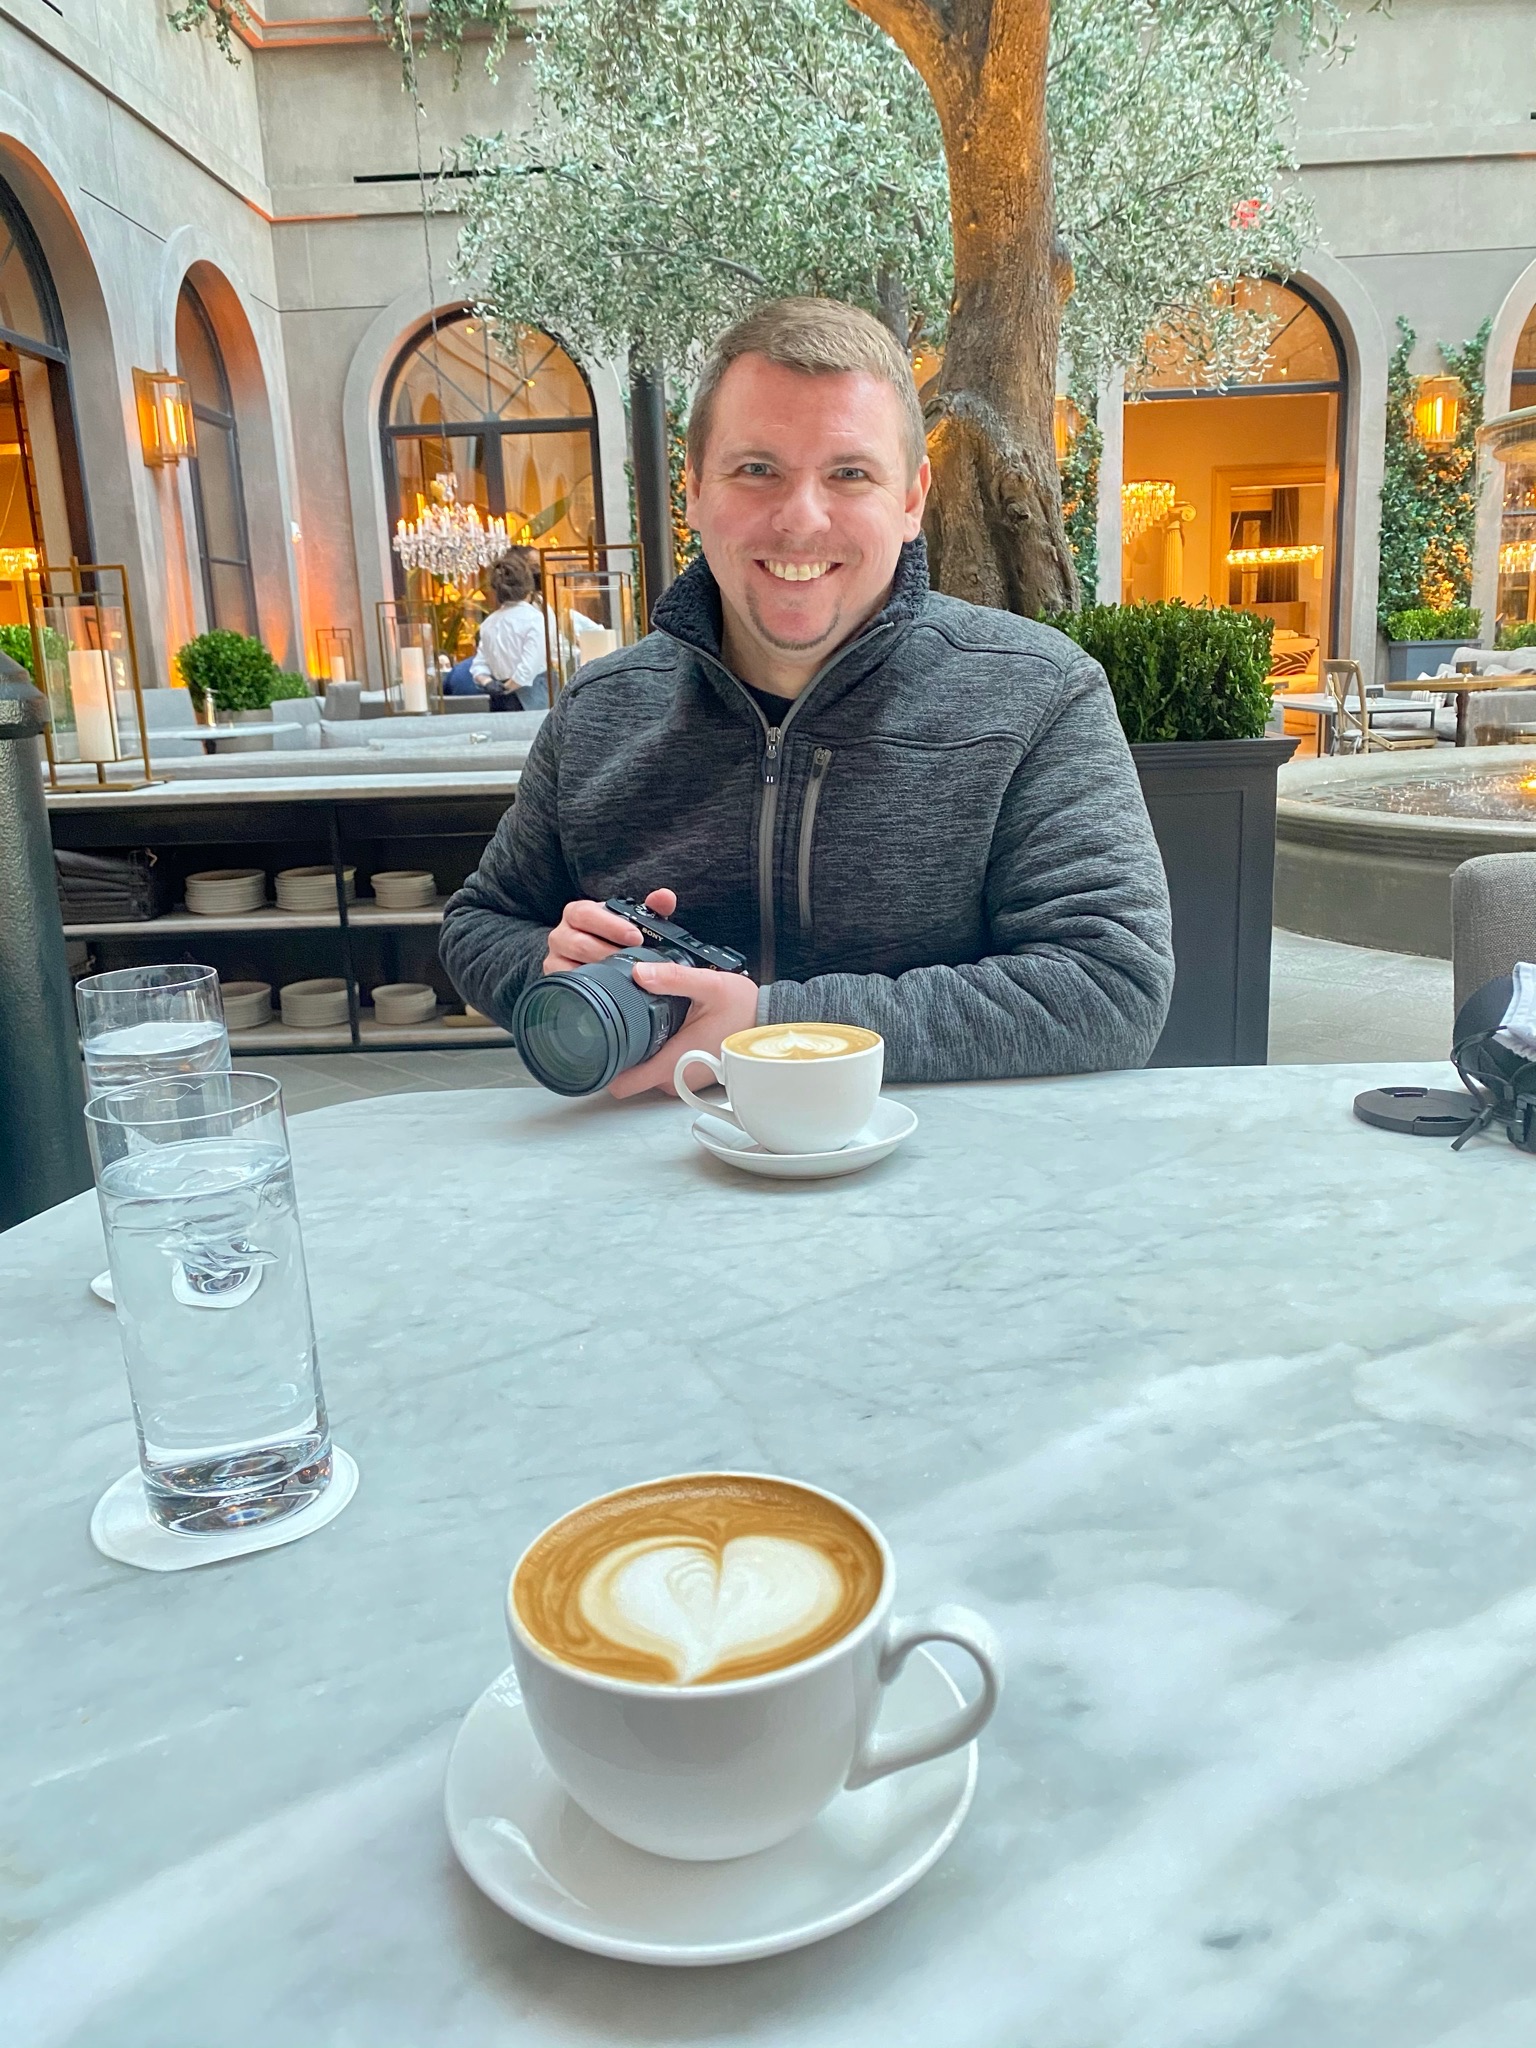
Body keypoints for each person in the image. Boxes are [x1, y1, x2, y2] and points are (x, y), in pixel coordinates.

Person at [441, 296, 1174, 1093]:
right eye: (757, 470)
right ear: (693, 492)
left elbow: (1112, 986)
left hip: (944, 1193)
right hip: (653, 1190)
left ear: (911, 499)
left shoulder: (1039, 693)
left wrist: (766, 1027)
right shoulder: (599, 710)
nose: (800, 518)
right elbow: (478, 928)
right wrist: (553, 961)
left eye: (849, 473)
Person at [470, 548, 546, 710]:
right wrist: (508, 687)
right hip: (533, 698)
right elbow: (528, 667)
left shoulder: (489, 623)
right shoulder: (534, 618)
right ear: (528, 587)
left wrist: (489, 683)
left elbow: (479, 665)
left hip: (498, 700)